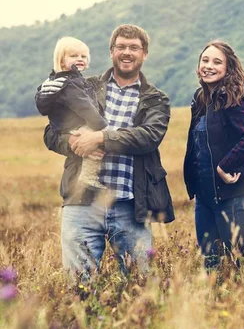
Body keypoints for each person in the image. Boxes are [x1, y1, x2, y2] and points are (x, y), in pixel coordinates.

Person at [38, 24, 174, 281]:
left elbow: (149, 136)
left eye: (134, 47)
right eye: (121, 46)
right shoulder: (82, 86)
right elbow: (51, 133)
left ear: (144, 54)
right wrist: (75, 143)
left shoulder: (156, 99)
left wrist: (100, 138)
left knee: (140, 286)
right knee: (78, 287)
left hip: (130, 204)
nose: (127, 52)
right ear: (111, 51)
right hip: (82, 204)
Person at [183, 40, 244, 270]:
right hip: (204, 197)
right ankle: (215, 303)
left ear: (228, 69)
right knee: (210, 263)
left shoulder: (232, 99)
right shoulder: (200, 99)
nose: (209, 66)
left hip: (231, 194)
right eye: (205, 60)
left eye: (217, 62)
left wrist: (224, 166)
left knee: (238, 261)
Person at [36, 36, 108, 189]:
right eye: (73, 56)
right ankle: (90, 177)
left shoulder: (59, 81)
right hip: (75, 125)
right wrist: (101, 126)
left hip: (66, 125)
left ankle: (92, 176)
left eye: (83, 56)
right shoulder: (70, 84)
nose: (80, 59)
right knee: (96, 143)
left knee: (96, 144)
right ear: (61, 60)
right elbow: (84, 107)